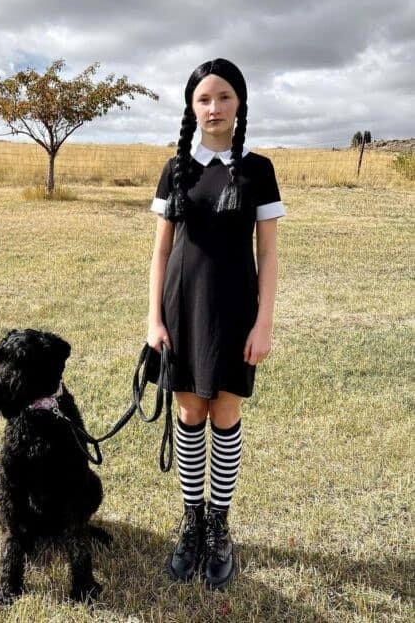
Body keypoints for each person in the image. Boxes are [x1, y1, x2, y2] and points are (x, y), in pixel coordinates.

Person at [146, 58, 286, 591]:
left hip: (235, 309)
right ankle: (192, 522)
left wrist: (264, 323)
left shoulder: (258, 169)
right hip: (182, 305)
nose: (214, 107)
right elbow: (160, 252)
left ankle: (219, 526)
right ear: (191, 106)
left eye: (224, 97)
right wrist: (153, 317)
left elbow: (269, 255)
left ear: (240, 103)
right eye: (204, 98)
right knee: (188, 411)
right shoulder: (175, 167)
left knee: (224, 412)